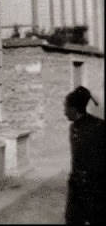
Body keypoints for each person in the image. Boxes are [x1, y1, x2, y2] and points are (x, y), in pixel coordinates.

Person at [63, 85, 105, 225]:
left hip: (95, 187)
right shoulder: (74, 127)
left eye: (66, 108)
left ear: (74, 109)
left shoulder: (99, 127)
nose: (64, 112)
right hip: (77, 186)